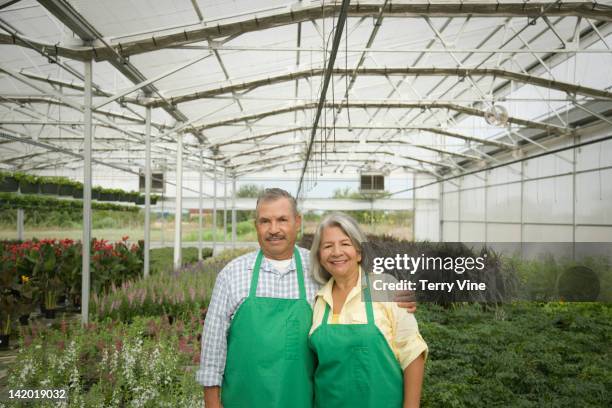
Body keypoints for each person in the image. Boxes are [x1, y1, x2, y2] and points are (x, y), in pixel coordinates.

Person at [197, 188, 417, 408]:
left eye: (282, 220)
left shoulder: (318, 270)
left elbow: (353, 278)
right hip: (243, 400)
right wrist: (212, 403)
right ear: (256, 226)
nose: (274, 229)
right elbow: (213, 347)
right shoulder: (232, 274)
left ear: (297, 222)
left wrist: (394, 294)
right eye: (265, 221)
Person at [309, 213, 427, 408]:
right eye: (328, 246)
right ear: (320, 257)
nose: (337, 252)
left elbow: (413, 352)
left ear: (359, 252)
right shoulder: (318, 300)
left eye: (345, 244)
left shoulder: (385, 287)